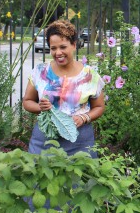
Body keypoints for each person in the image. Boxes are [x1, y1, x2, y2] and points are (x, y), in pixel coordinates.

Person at [23, 20, 105, 158]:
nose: (58, 53)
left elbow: (100, 107)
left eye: (63, 47)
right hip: (43, 142)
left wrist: (84, 117)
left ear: (74, 45)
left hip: (80, 143)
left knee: (79, 178)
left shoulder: (90, 76)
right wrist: (41, 107)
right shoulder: (40, 72)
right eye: (53, 48)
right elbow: (27, 101)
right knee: (40, 177)